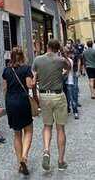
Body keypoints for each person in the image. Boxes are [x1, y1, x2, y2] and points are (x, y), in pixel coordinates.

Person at [32, 39, 71, 172]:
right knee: (60, 128)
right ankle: (60, 161)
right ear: (57, 48)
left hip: (44, 96)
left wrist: (35, 96)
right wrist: (64, 54)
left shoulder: (37, 60)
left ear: (47, 46)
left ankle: (46, 150)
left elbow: (34, 78)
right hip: (58, 95)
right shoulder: (60, 60)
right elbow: (69, 67)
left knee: (47, 126)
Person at [2, 47, 37, 176]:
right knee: (28, 130)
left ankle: (19, 163)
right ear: (23, 56)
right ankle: (24, 157)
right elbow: (29, 85)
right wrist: (35, 78)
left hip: (10, 102)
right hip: (22, 101)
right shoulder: (26, 69)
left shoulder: (6, 70)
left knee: (17, 134)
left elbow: (4, 88)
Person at [65, 50, 79, 119]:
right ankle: (68, 109)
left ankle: (75, 111)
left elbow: (67, 72)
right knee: (67, 99)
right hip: (64, 83)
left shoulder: (69, 61)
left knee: (72, 98)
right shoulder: (60, 61)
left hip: (69, 82)